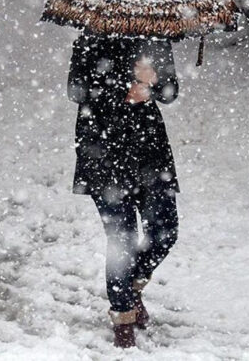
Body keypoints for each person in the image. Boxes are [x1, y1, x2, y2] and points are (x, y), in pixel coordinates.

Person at [67, 30, 180, 348]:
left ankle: (129, 288)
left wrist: (153, 83)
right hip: (103, 152)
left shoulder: (156, 39)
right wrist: (127, 86)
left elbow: (170, 92)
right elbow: (77, 91)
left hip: (150, 152)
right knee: (122, 240)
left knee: (165, 230)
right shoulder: (90, 40)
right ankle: (123, 320)